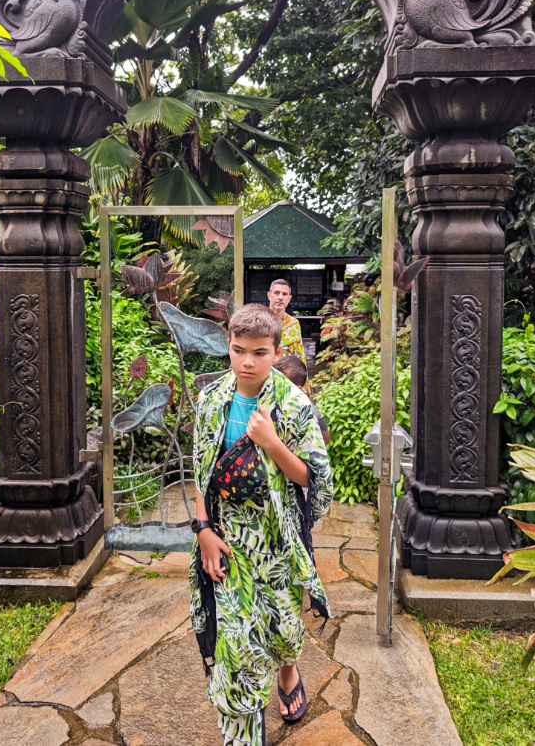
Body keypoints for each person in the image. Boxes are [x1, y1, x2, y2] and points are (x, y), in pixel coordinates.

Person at [189, 304, 333, 746]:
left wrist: (270, 442)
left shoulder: (293, 404)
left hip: (278, 542)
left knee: (283, 632)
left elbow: (316, 480)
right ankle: (244, 733)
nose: (247, 362)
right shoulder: (212, 399)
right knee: (236, 654)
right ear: (227, 348)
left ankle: (288, 672)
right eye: (238, 350)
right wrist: (204, 532)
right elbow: (200, 472)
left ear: (276, 352)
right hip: (228, 541)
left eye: (259, 352)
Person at [274, 354, 330, 446]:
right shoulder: (271, 403)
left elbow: (325, 437)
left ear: (297, 389)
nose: (274, 387)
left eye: (279, 385)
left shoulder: (308, 410)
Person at [267, 279, 306, 364]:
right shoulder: (258, 321)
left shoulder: (293, 324)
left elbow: (299, 356)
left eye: (284, 294)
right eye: (276, 293)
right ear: (269, 295)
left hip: (285, 374)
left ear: (289, 298)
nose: (280, 297)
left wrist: (303, 376)